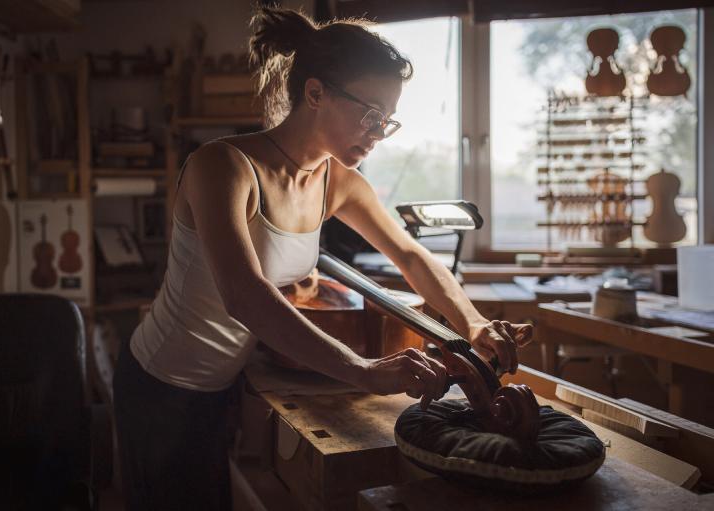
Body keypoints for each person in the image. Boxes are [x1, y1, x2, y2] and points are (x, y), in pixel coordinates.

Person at [113, 6, 533, 510]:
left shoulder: (338, 183)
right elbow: (244, 295)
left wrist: (473, 322)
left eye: (388, 120)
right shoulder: (222, 167)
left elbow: (410, 255)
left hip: (227, 382)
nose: (378, 132)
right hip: (161, 383)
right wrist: (362, 369)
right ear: (315, 94)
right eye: (371, 114)